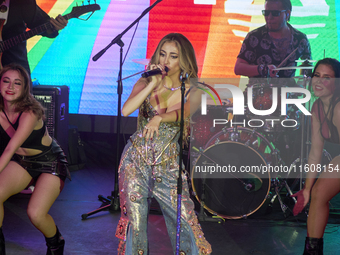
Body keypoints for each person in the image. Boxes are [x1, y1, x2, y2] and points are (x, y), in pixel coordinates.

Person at [115, 33, 212, 255]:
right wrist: (153, 84)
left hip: (168, 164)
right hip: (135, 160)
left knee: (184, 220)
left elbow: (185, 113)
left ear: (183, 60)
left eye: (173, 56)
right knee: (135, 221)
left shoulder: (193, 88)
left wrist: (160, 117)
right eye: (163, 53)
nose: (166, 60)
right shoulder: (145, 81)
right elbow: (126, 110)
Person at [0, 64, 70, 255]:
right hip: (22, 161)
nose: (10, 87)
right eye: (6, 81)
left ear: (25, 89)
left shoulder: (29, 112)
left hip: (50, 162)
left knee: (36, 214)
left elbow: (9, 149)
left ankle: (56, 242)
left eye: (17, 83)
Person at [291, 58, 340, 254]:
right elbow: (315, 152)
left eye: (326, 77)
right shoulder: (318, 107)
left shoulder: (338, 107)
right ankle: (312, 251)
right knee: (318, 194)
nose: (318, 81)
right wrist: (306, 189)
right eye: (316, 76)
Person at [234, 0, 311, 82]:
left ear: (287, 14)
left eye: (275, 13)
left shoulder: (300, 39)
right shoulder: (254, 37)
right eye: (266, 13)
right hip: (258, 93)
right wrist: (263, 69)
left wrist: (302, 82)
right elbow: (238, 68)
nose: (269, 17)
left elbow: (307, 65)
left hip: (287, 93)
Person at [1, 0, 68, 77]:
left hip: (14, 60)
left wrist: (54, 27)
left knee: (21, 84)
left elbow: (39, 21)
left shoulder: (23, 2)